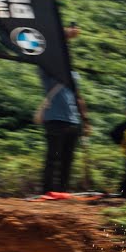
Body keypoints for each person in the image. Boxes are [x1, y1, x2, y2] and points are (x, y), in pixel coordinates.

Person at [34, 25, 90, 194]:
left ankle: (61, 192)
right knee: (53, 158)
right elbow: (44, 49)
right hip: (55, 118)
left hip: (72, 120)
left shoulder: (73, 74)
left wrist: (85, 121)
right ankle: (48, 192)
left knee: (67, 160)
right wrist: (64, 36)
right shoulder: (47, 69)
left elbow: (78, 97)